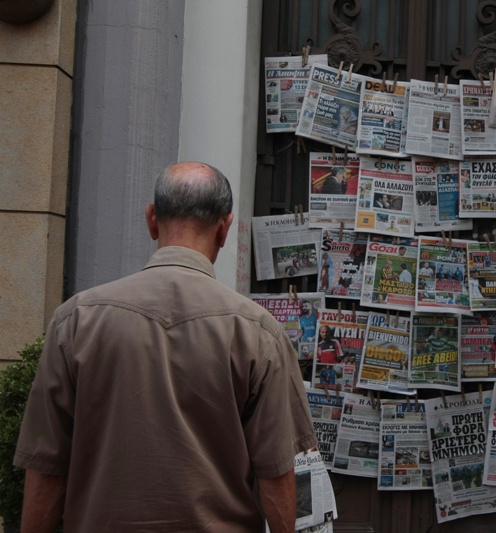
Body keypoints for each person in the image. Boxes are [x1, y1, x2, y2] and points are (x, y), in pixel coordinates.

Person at [14, 162, 317, 533]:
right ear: (224, 229)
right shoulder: (258, 332)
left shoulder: (76, 320)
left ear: (152, 219)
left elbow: (46, 464)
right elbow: (276, 475)